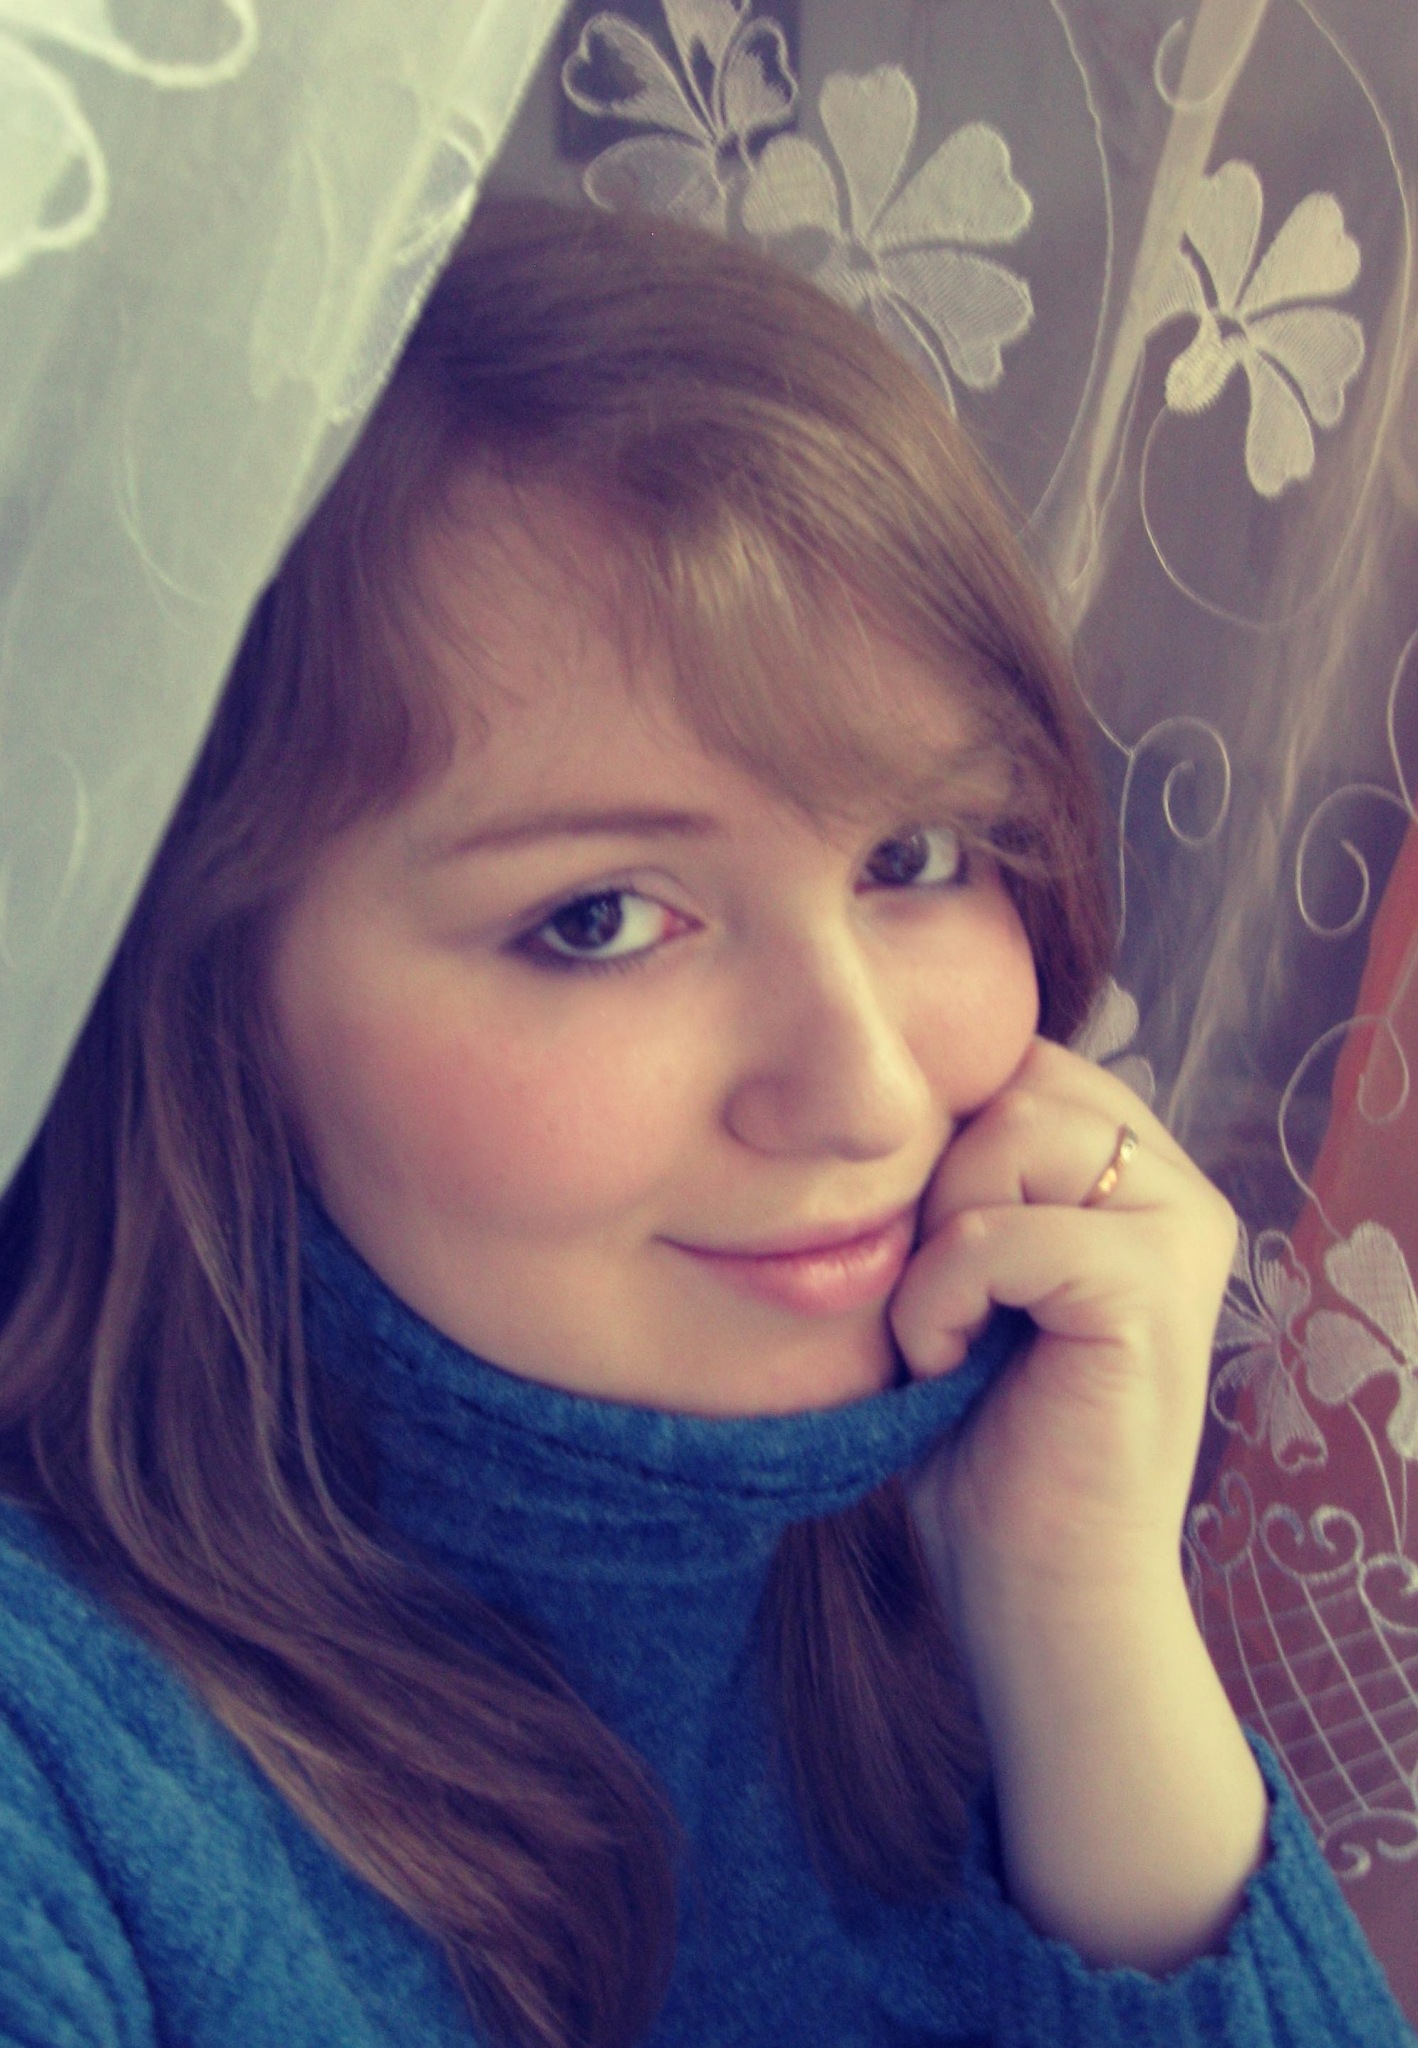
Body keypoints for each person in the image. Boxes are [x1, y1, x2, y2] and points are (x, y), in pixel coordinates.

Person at [0, 195, 1410, 2048]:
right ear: (200, 991)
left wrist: (1076, 1610)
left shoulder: (928, 1525)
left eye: (916, 856)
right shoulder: (56, 1764)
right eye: (599, 918)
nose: (870, 1092)